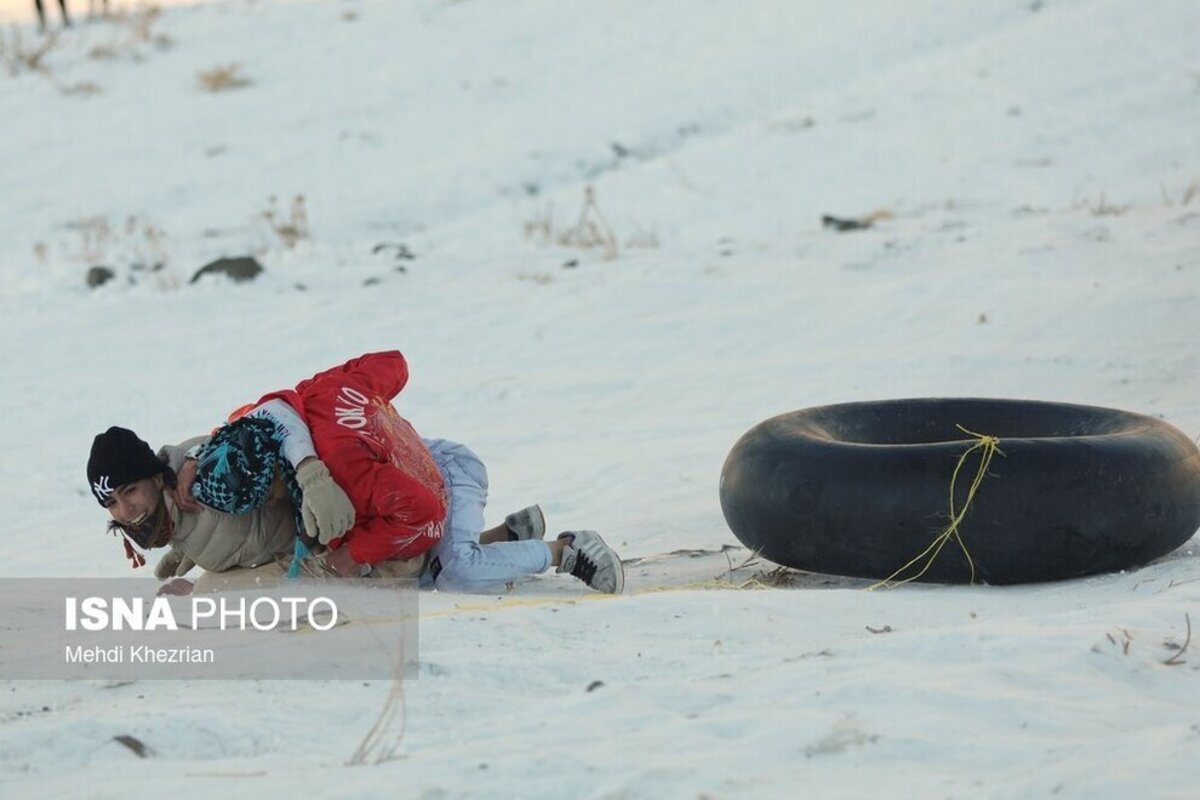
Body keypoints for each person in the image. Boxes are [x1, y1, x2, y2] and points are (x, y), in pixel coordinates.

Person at [87, 352, 624, 594]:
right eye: (112, 504)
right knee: (402, 568)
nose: (124, 511)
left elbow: (424, 515)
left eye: (129, 493)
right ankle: (508, 534)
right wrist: (188, 544)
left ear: (156, 478)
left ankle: (566, 550)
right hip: (401, 484)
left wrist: (349, 545)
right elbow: (273, 412)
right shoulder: (217, 462)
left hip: (437, 482)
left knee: (443, 573)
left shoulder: (327, 466)